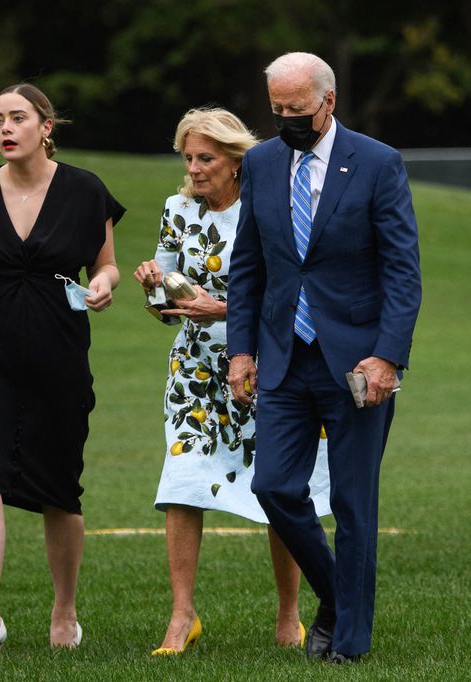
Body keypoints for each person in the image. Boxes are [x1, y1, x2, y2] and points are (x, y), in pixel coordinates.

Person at [226, 53, 422, 664]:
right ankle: (339, 599)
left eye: (296, 110)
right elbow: (248, 265)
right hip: (285, 355)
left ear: (328, 102)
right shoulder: (259, 163)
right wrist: (240, 350)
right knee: (274, 486)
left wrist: (387, 357)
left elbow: (402, 272)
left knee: (354, 504)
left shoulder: (377, 162)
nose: (285, 120)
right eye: (276, 110)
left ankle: (351, 644)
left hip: (358, 363)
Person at [0, 83, 125, 660]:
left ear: (46, 126)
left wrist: (103, 286)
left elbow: (108, 264)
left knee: (60, 491)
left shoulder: (85, 190)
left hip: (59, 353)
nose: (5, 129)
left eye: (17, 118)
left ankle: (64, 608)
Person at [133, 107, 331, 655]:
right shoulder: (177, 210)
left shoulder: (269, 208)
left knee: (281, 489)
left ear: (235, 160)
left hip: (267, 365)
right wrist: (155, 285)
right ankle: (182, 616)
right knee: (182, 483)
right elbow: (165, 310)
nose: (194, 169)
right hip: (194, 371)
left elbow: (286, 295)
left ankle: (288, 615)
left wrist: (220, 309)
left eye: (205, 158)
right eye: (188, 158)